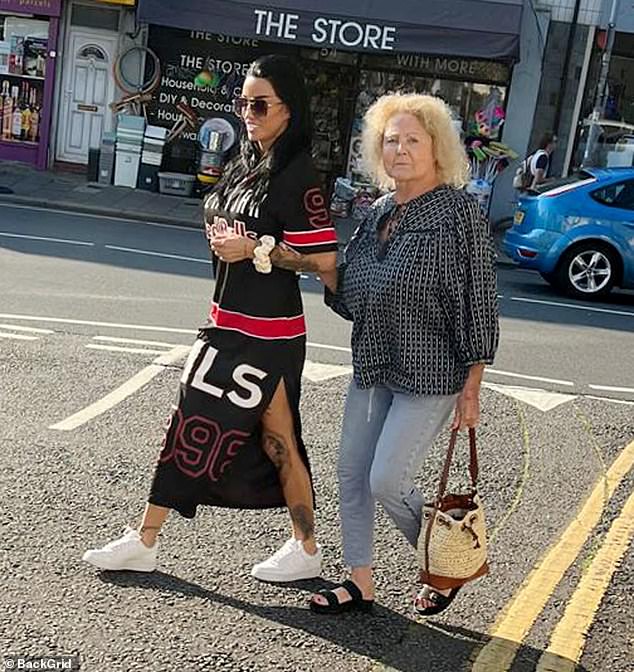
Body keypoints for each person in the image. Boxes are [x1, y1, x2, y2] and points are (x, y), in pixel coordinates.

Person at [82, 55, 338, 583]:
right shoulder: (247, 159)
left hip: (269, 333)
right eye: (243, 101)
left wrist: (259, 248)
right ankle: (147, 540)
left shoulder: (299, 173)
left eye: (260, 103)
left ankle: (305, 546)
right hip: (225, 321)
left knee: (276, 439)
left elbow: (323, 260)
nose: (248, 111)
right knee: (192, 425)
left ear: (289, 110)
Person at [309, 93, 499, 616]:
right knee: (351, 472)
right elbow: (353, 296)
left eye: (413, 139)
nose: (400, 149)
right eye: (391, 139)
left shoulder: (459, 214)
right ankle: (360, 582)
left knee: (386, 479)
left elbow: (479, 302)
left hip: (431, 373)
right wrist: (310, 265)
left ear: (437, 148)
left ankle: (445, 562)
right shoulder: (378, 213)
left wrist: (473, 386)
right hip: (373, 365)